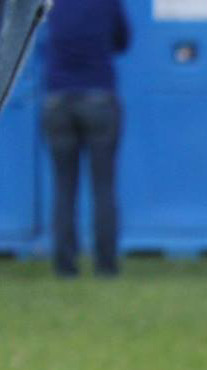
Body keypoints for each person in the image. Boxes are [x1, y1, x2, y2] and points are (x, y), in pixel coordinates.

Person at [40, 0, 130, 278]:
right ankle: (106, 266)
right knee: (103, 187)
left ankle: (65, 266)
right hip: (99, 97)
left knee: (64, 188)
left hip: (57, 99)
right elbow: (123, 40)